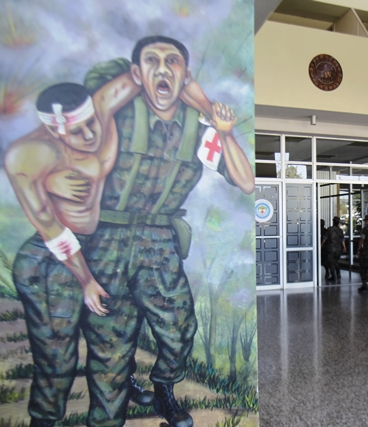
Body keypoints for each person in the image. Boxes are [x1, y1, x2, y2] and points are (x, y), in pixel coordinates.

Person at [49, 36, 254, 427]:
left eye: (173, 61)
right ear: (136, 73)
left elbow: (245, 182)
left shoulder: (196, 130)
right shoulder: (115, 115)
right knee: (110, 343)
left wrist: (223, 128)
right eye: (152, 61)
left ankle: (163, 388)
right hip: (107, 240)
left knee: (179, 327)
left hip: (159, 242)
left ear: (186, 74)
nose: (163, 69)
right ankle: (109, 412)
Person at [5, 81, 157, 427]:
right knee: (57, 357)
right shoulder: (29, 156)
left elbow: (138, 75)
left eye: (92, 123)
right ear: (54, 129)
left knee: (114, 348)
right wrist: (86, 279)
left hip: (100, 246)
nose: (91, 134)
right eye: (78, 130)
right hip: (51, 259)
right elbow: (51, 229)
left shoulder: (97, 109)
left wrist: (211, 112)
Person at [322, 216, 346, 281]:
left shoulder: (329, 229)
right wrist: (344, 247)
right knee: (336, 261)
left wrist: (321, 245)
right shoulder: (340, 230)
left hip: (330, 249)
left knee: (331, 262)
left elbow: (325, 238)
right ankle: (338, 274)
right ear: (338, 222)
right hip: (338, 249)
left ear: (333, 221)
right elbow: (342, 240)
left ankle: (333, 276)